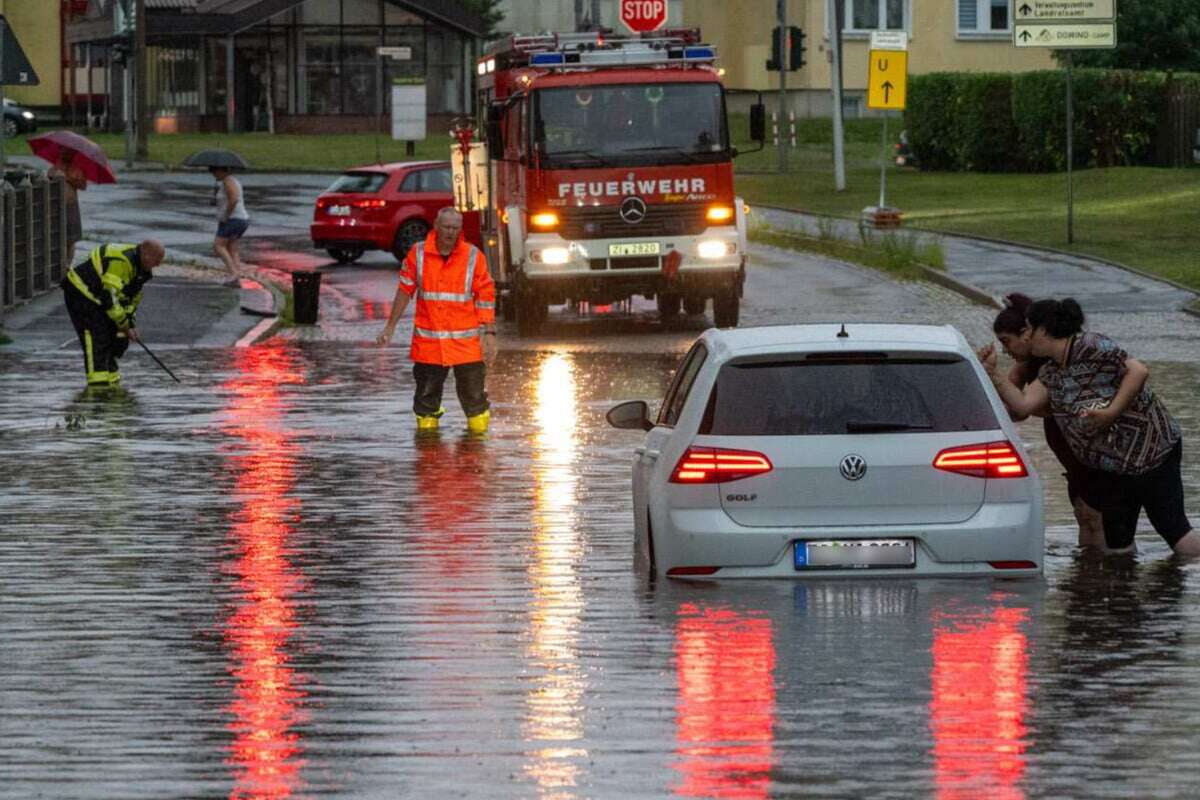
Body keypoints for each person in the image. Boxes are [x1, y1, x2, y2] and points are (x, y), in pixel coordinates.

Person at [982, 298, 1200, 559]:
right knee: (1117, 544)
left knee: (1173, 528)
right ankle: (1124, 595)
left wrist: (1111, 412)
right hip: (1115, 467)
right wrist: (992, 374)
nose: (1027, 337)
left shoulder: (1091, 345)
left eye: (1029, 329)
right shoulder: (1052, 371)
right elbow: (1024, 405)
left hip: (1153, 451)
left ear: (1043, 330)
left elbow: (1139, 371)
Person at [978, 293, 1105, 549]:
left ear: (1028, 332)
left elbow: (1024, 407)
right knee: (1083, 512)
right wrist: (986, 374)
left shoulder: (1056, 364)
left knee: (1094, 512)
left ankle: (1103, 570)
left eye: (1007, 341)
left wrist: (995, 376)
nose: (1006, 349)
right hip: (1067, 446)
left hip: (1082, 444)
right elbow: (1012, 410)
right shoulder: (1027, 365)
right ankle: (1089, 571)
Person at [375, 207, 497, 433]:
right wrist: (390, 326)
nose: (451, 232)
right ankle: (429, 457)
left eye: (456, 228)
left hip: (465, 346)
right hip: (429, 346)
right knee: (425, 404)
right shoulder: (418, 254)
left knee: (476, 404)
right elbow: (404, 290)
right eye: (447, 227)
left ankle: (476, 457)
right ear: (436, 226)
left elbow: (486, 296)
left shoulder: (473, 256)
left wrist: (489, 333)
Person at [61, 240, 165, 387]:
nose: (158, 265)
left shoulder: (141, 270)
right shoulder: (121, 262)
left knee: (118, 340)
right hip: (81, 293)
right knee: (97, 337)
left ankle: (112, 385)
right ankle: (98, 389)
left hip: (99, 298)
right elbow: (110, 297)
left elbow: (130, 300)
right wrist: (124, 325)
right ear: (146, 255)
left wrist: (130, 324)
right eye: (157, 260)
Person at [48, 149, 87, 261]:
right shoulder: (55, 167)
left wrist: (68, 177)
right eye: (63, 152)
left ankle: (68, 263)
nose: (65, 154)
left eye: (69, 152)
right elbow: (48, 179)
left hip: (71, 205)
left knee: (71, 238)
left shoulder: (77, 169)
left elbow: (83, 185)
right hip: (56, 206)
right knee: (57, 236)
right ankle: (59, 262)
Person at [210, 166, 250, 273]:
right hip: (241, 219)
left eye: (213, 170)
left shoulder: (228, 182)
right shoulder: (227, 182)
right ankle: (237, 271)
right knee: (231, 247)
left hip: (233, 219)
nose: (212, 173)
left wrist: (226, 216)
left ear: (221, 170)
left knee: (218, 246)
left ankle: (233, 272)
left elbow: (234, 199)